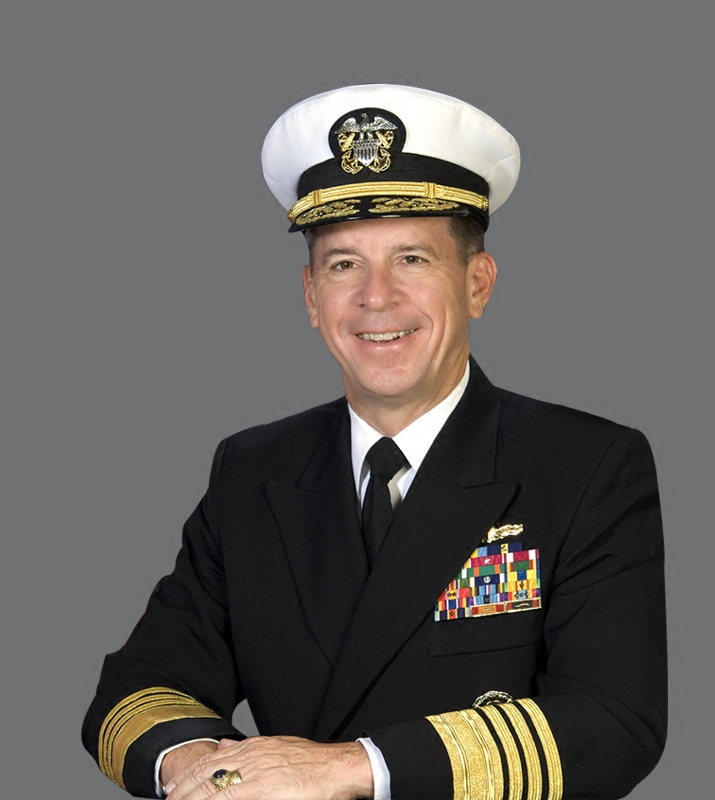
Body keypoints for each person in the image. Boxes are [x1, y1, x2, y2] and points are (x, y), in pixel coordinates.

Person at [83, 84, 667, 800]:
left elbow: (612, 722)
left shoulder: (585, 466)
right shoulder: (253, 471)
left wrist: (345, 768)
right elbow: (142, 684)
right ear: (310, 296)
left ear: (477, 284)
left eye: (413, 259)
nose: (376, 296)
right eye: (343, 264)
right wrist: (208, 770)